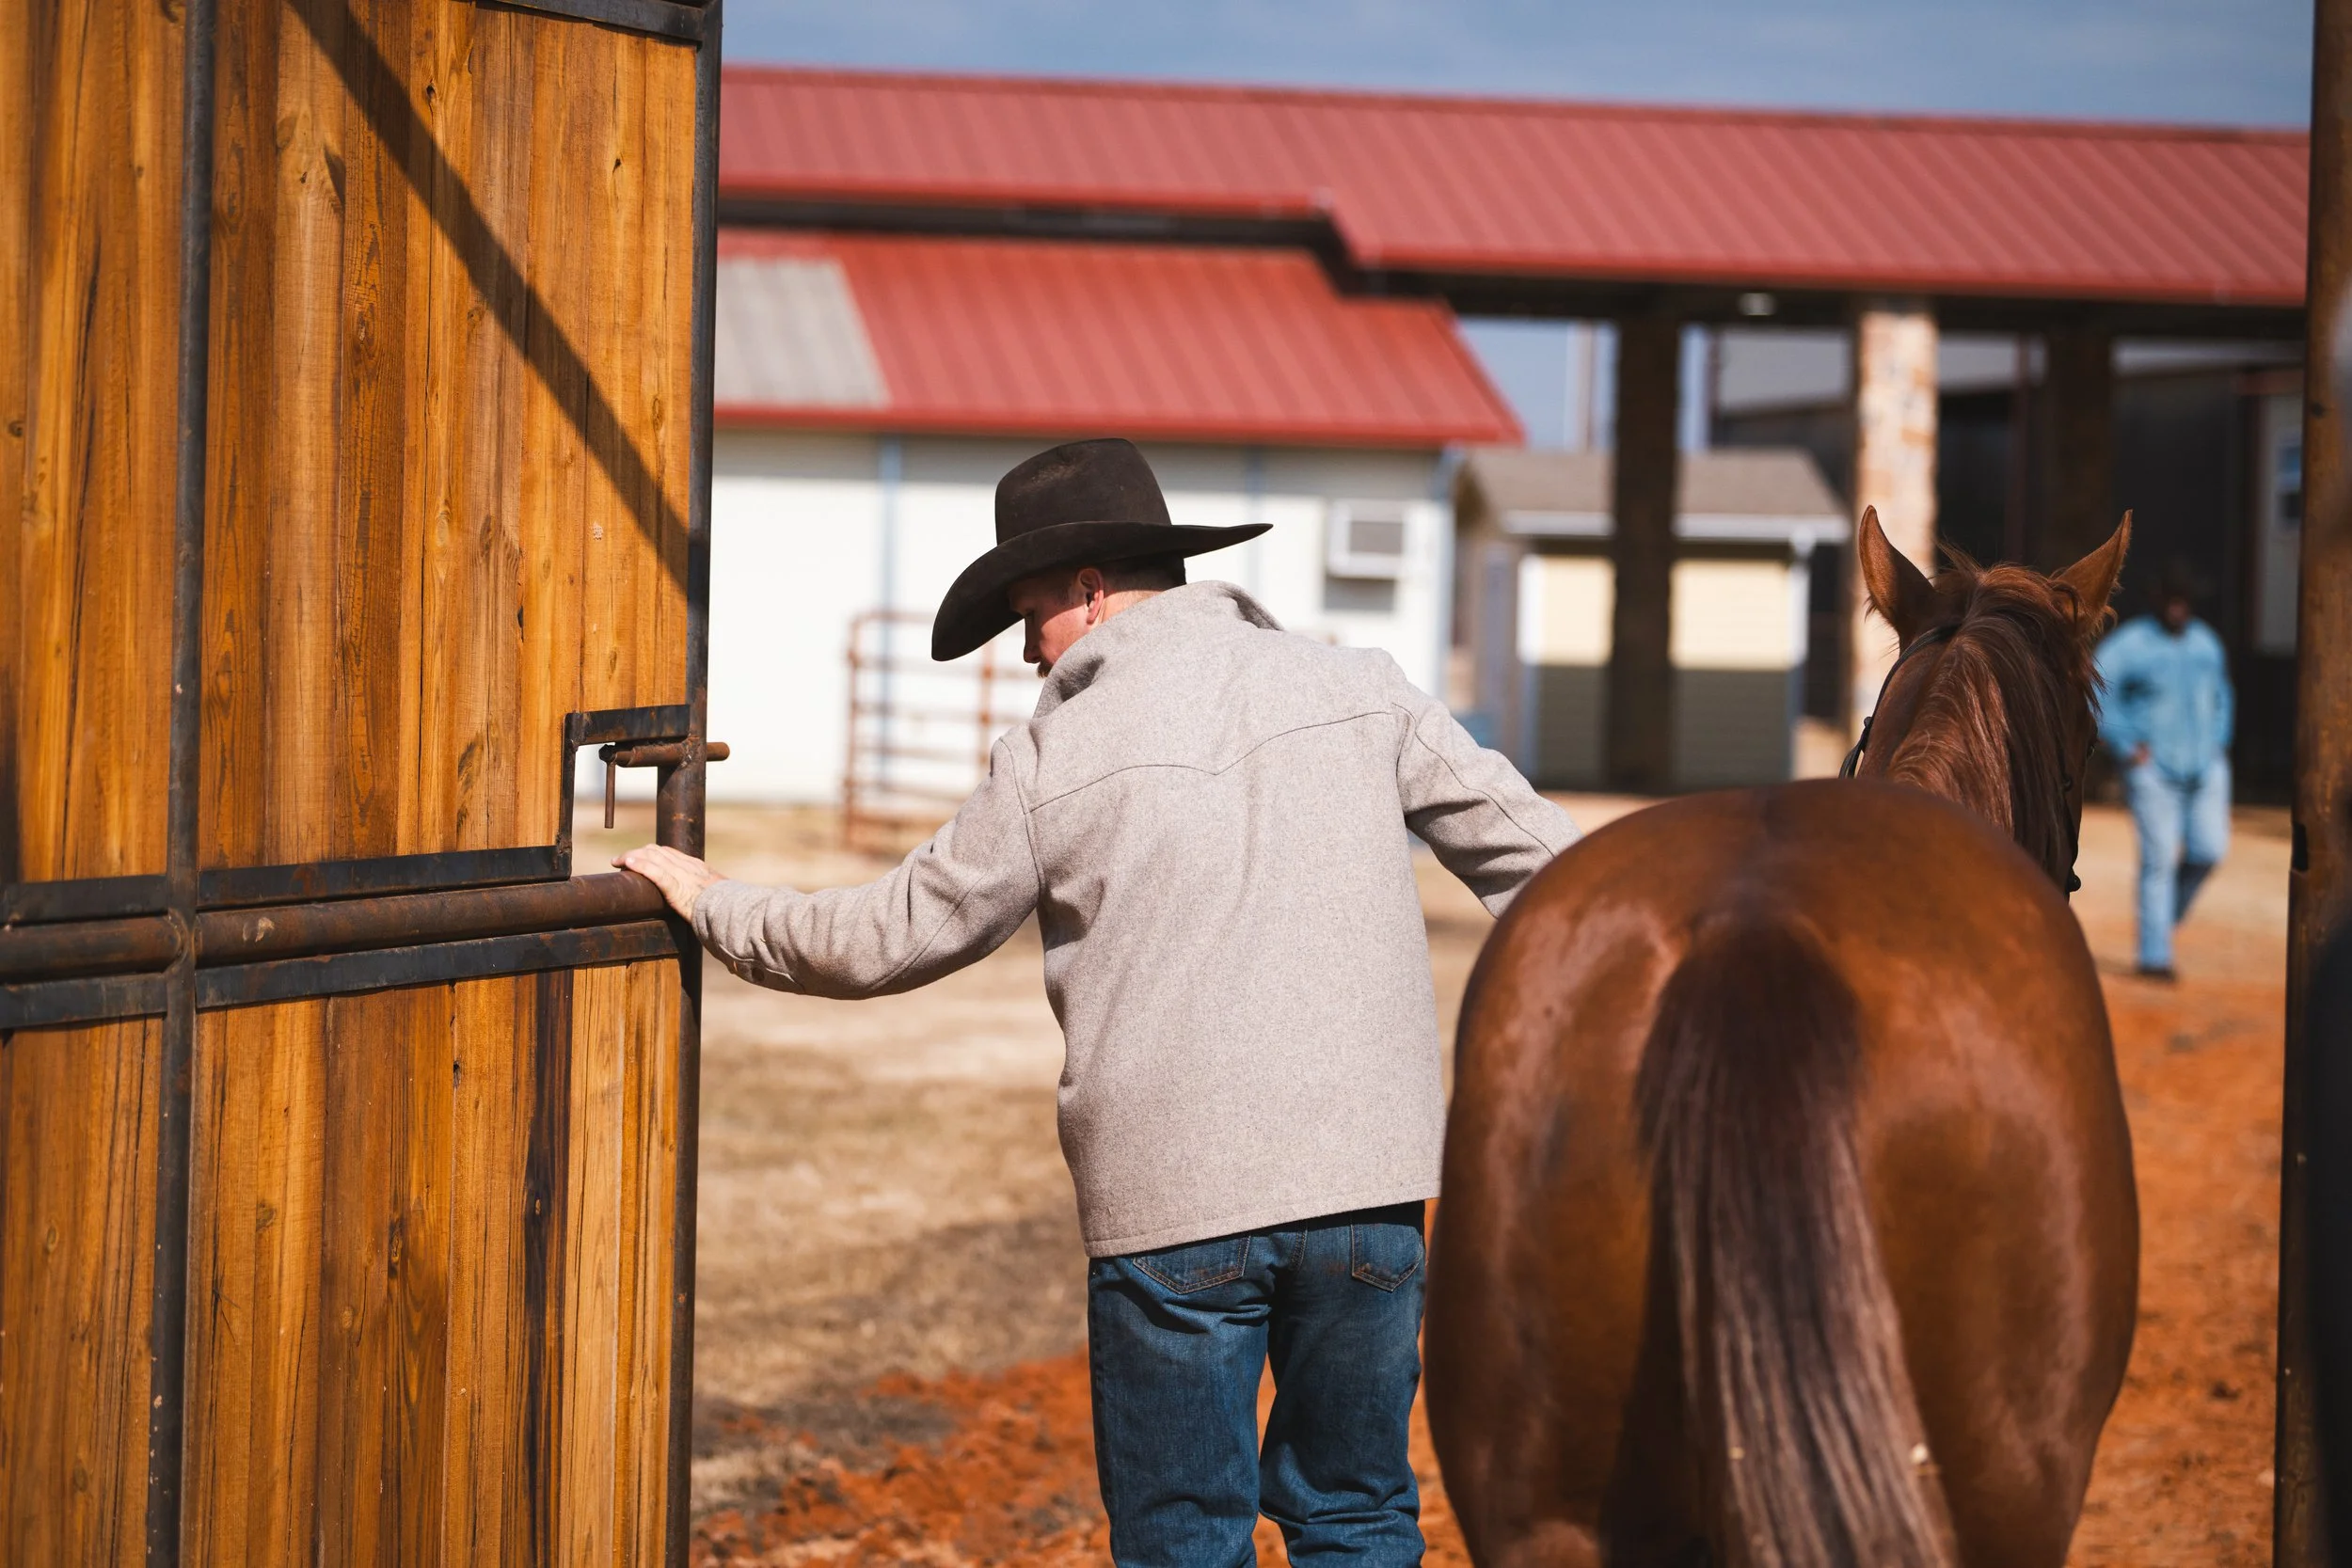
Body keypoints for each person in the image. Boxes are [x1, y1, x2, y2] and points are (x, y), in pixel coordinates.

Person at [620, 437, 1578, 1567]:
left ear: (1089, 590)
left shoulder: (1051, 757)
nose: (1027, 652)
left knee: (1182, 1539)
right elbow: (1552, 868)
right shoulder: (1362, 687)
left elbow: (885, 938)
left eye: (1029, 614)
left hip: (1173, 1205)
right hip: (1366, 1189)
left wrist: (715, 899)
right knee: (1357, 1515)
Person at [2094, 561, 2235, 981]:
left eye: (2184, 599)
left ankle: (2163, 918)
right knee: (2158, 859)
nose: (2178, 607)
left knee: (2210, 850)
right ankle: (2154, 957)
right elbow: (2095, 692)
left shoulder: (2206, 643)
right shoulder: (2130, 646)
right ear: (2157, 601)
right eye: (2171, 599)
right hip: (2153, 769)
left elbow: (2224, 694)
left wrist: (2219, 742)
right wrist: (2124, 744)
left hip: (2206, 766)